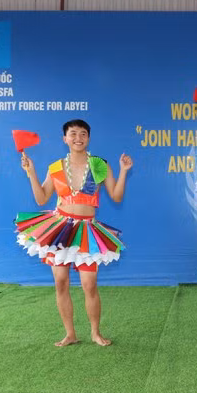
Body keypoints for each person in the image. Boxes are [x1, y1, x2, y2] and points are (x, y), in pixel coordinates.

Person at [17, 119, 132, 347]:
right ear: (65, 138)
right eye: (73, 134)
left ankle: (95, 332)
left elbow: (116, 197)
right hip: (60, 230)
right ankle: (70, 334)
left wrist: (124, 171)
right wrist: (31, 172)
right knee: (61, 282)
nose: (78, 138)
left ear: (88, 138)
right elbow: (41, 198)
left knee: (89, 284)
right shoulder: (56, 167)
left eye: (82, 134)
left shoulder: (100, 165)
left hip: (87, 230)